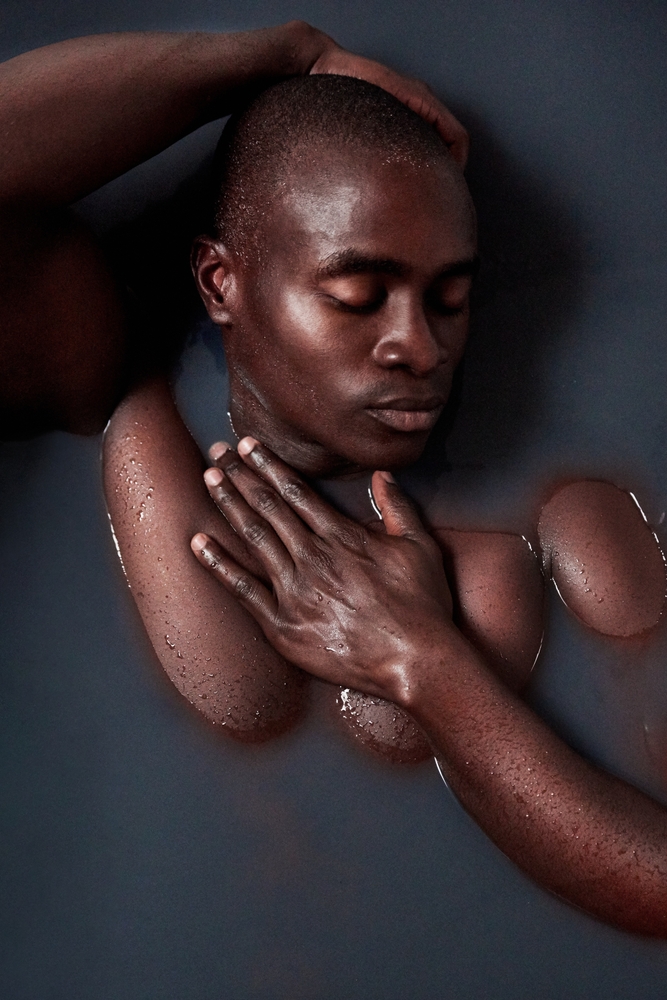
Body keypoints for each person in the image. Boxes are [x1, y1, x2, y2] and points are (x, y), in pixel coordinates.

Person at [1, 23, 665, 937]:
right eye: (358, 297)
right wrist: (280, 54)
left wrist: (419, 659)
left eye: (451, 298)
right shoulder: (128, 394)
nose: (420, 348)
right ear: (219, 282)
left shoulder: (563, 521)